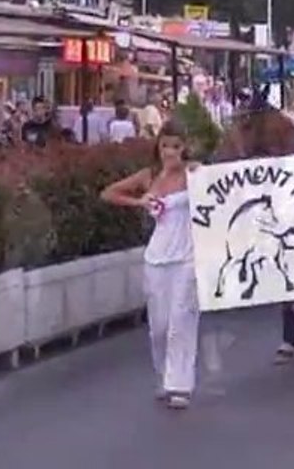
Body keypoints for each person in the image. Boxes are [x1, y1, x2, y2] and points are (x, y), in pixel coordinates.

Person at [100, 122, 200, 410]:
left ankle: (180, 385)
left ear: (185, 148)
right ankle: (163, 375)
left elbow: (222, 189)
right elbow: (108, 193)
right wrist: (139, 202)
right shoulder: (149, 176)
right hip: (156, 257)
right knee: (159, 326)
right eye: (165, 145)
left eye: (176, 146)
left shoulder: (193, 174)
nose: (170, 152)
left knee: (181, 320)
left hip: (187, 257)